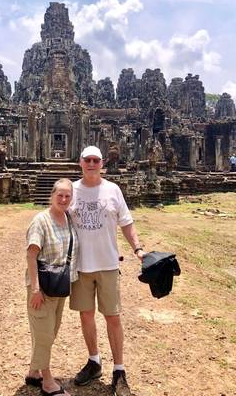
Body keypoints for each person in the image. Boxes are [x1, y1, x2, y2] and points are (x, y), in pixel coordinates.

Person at [69, 146, 144, 396]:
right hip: (81, 265)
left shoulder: (113, 190)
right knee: (86, 315)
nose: (91, 164)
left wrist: (138, 249)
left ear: (102, 164)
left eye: (96, 160)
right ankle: (94, 361)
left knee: (113, 317)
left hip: (108, 264)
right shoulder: (71, 190)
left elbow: (127, 223)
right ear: (80, 162)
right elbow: (57, 219)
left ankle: (119, 370)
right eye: (87, 160)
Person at [25, 179, 78, 396]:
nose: (64, 199)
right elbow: (31, 255)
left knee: (50, 330)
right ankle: (47, 381)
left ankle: (33, 372)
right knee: (45, 333)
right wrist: (36, 289)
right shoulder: (41, 221)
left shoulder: (68, 218)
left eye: (68, 196)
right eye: (60, 195)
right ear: (52, 195)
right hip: (42, 288)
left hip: (59, 284)